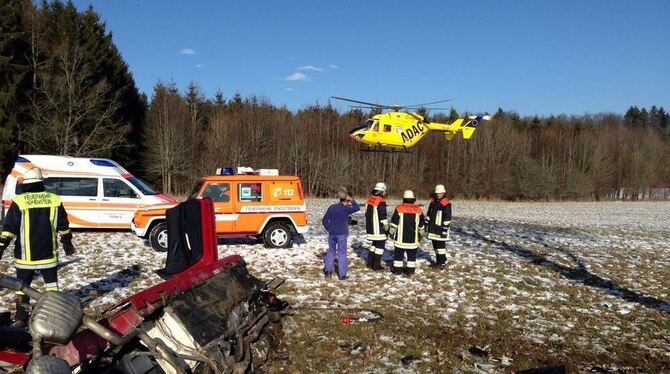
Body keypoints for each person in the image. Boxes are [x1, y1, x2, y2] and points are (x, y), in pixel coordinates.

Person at [0, 167, 75, 327]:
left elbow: (9, 229)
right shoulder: (54, 199)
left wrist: (1, 246)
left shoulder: (19, 201)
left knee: (22, 287)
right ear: (41, 182)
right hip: (48, 256)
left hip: (25, 258)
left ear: (26, 184)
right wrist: (67, 241)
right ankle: (54, 316)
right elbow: (63, 225)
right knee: (52, 287)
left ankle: (21, 317)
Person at [321, 186, 360, 280]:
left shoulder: (331, 207)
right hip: (342, 234)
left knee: (331, 252)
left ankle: (327, 272)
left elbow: (324, 220)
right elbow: (357, 207)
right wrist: (351, 199)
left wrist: (329, 228)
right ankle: (342, 275)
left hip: (332, 233)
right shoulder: (346, 209)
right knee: (342, 253)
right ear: (346, 200)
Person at [389, 190, 425, 276]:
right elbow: (421, 225)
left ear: (404, 198)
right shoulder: (419, 210)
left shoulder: (399, 208)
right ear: (413, 199)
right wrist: (421, 234)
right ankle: (410, 271)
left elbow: (394, 222)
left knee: (398, 256)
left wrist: (392, 232)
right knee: (411, 257)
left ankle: (397, 271)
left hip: (400, 240)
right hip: (413, 240)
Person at [426, 184, 452, 269]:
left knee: (441, 247)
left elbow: (448, 218)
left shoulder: (446, 203)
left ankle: (442, 263)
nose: (438, 194)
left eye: (440, 193)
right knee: (436, 246)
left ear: (444, 193)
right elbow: (429, 214)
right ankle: (438, 262)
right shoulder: (433, 202)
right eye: (437, 193)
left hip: (441, 229)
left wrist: (444, 230)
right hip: (433, 228)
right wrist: (426, 223)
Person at [364, 182, 388, 270]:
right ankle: (376, 266)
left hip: (370, 227)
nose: (385, 193)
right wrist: (386, 226)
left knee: (374, 244)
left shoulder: (369, 199)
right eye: (385, 191)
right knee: (380, 246)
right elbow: (383, 215)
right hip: (378, 229)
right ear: (381, 192)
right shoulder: (380, 201)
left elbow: (366, 213)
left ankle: (370, 263)